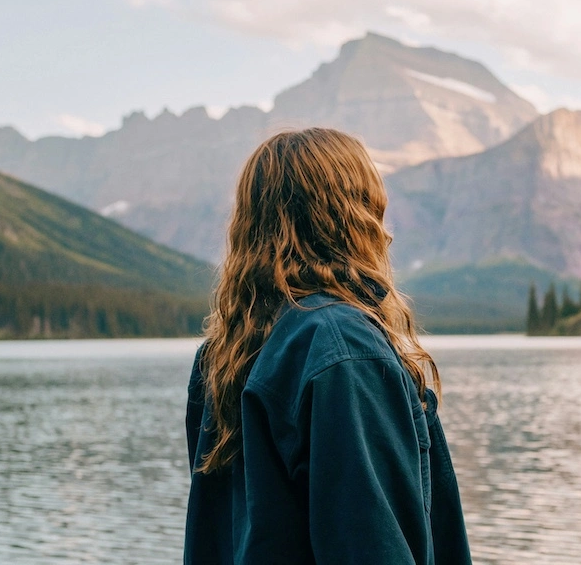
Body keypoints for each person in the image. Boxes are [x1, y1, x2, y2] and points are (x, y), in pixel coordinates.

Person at [184, 128, 472, 564]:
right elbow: (372, 547)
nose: (385, 230)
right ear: (352, 217)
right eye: (374, 208)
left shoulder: (224, 354)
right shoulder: (344, 349)